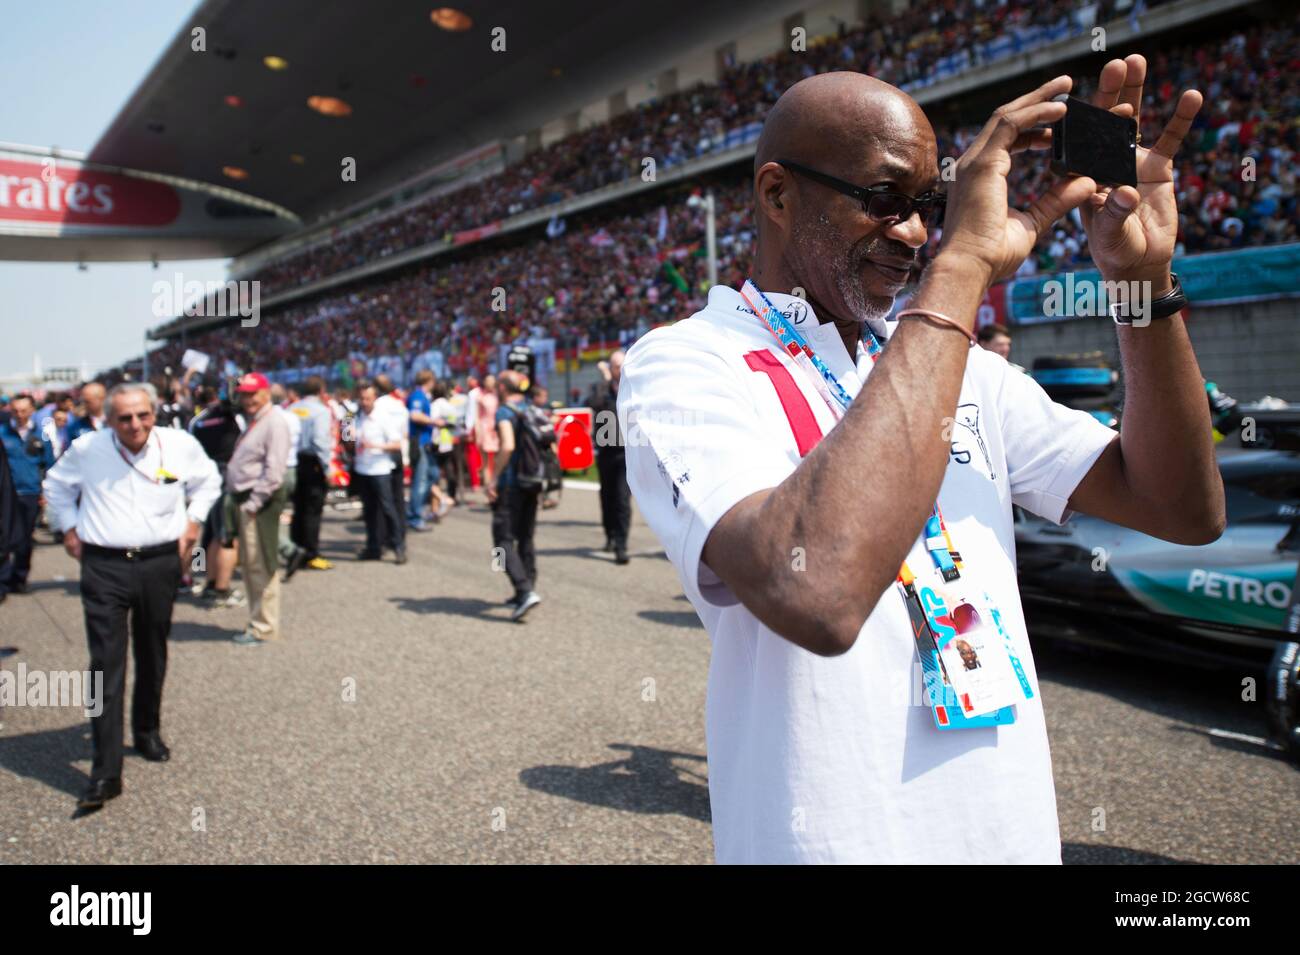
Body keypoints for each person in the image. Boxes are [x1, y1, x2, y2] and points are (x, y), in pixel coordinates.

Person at [618, 63, 1224, 864]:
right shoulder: (687, 363)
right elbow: (818, 592)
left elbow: (1182, 507)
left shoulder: (958, 364)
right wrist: (961, 268)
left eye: (929, 209)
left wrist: (1140, 284)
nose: (913, 234)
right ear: (776, 194)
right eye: (883, 199)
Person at [43, 382, 221, 810]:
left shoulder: (179, 444)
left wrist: (194, 521)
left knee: (153, 648)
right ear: (108, 419)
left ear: (153, 411)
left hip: (161, 562)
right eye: (124, 418)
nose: (136, 424)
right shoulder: (88, 449)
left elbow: (209, 481)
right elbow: (55, 486)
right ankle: (105, 772)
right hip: (104, 564)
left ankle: (146, 730)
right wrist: (68, 527)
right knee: (105, 661)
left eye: (143, 415)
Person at [223, 373, 291, 645]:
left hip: (259, 501)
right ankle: (258, 622)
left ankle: (263, 626)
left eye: (252, 393)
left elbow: (274, 471)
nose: (247, 399)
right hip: (250, 500)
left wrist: (253, 503)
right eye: (243, 394)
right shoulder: (259, 420)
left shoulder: (274, 421)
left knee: (261, 565)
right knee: (253, 566)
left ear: (265, 393)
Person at [489, 371, 541, 620]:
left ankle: (523, 589)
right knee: (526, 536)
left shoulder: (504, 411)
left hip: (511, 483)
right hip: (532, 481)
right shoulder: (531, 407)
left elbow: (507, 445)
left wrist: (493, 477)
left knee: (502, 539)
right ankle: (527, 586)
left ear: (502, 387)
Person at [186, 384, 244, 607]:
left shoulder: (196, 418)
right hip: (224, 477)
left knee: (205, 533)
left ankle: (199, 574)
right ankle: (218, 585)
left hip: (199, 479)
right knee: (225, 534)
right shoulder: (234, 418)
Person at [0, 395, 55, 603]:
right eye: (15, 411)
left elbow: (48, 463)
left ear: (32, 410)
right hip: (7, 494)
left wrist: (45, 491)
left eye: (24, 411)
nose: (20, 415)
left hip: (30, 492)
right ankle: (3, 580)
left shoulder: (41, 435)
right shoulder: (3, 432)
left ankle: (19, 576)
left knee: (25, 539)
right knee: (4, 536)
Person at [353, 382, 406, 564]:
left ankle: (398, 545)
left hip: (380, 469)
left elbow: (397, 444)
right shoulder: (354, 415)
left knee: (387, 508)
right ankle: (372, 547)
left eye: (368, 398)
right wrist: (349, 436)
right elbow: (345, 439)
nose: (365, 402)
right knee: (368, 511)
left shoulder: (383, 416)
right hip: (362, 468)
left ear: (374, 398)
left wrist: (375, 446)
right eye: (362, 399)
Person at [287, 376, 334, 574]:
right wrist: (327, 468)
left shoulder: (291, 409)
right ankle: (311, 554)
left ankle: (294, 550)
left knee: (298, 508)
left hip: (293, 461)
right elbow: (320, 440)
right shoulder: (322, 411)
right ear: (321, 390)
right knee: (313, 510)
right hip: (312, 462)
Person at [588, 352, 631, 563]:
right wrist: (606, 380)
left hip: (626, 451)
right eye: (615, 366)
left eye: (621, 365)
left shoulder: (633, 387)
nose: (619, 370)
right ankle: (610, 536)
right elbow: (595, 404)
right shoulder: (600, 388)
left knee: (622, 499)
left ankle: (621, 545)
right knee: (607, 497)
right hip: (606, 450)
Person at [373, 374, 409, 552]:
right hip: (398, 452)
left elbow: (349, 427)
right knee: (398, 497)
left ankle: (386, 538)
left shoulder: (377, 406)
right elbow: (404, 433)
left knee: (383, 501)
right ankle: (400, 535)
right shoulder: (399, 404)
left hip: (380, 454)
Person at [405, 369, 439, 532]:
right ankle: (414, 516)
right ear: (429, 380)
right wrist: (435, 422)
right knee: (420, 480)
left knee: (433, 474)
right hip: (418, 441)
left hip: (424, 442)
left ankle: (415, 509)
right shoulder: (418, 396)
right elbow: (415, 415)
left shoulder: (422, 395)